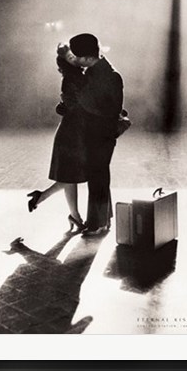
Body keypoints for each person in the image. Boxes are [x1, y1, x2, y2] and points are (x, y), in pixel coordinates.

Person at [63, 33, 124, 236]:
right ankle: (103, 220)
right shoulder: (99, 72)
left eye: (78, 57)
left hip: (101, 133)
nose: (76, 60)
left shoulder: (107, 76)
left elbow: (107, 110)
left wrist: (78, 100)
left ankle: (97, 224)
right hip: (99, 133)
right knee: (100, 175)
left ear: (89, 58)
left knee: (97, 175)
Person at [27, 55, 87, 231]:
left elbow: (70, 104)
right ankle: (75, 217)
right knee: (70, 176)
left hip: (73, 131)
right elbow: (76, 105)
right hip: (71, 133)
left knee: (70, 176)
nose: (75, 57)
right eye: (71, 56)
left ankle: (42, 198)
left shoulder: (75, 76)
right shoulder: (71, 78)